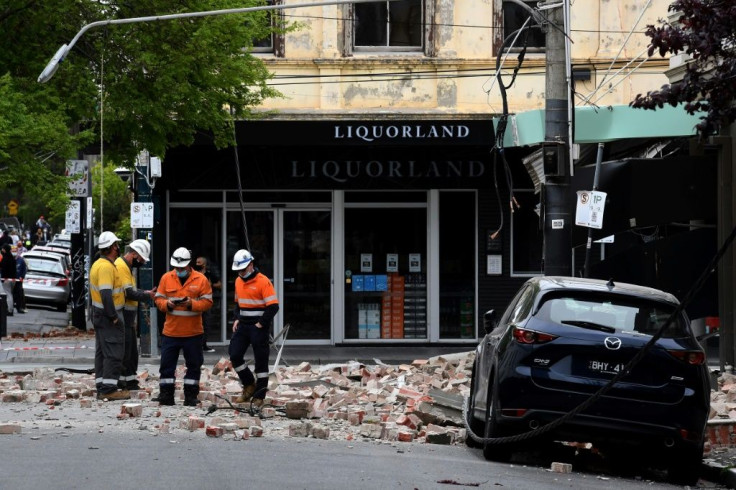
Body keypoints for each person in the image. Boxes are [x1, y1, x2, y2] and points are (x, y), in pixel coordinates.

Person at [153, 247, 213, 406]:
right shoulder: (166, 278)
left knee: (194, 366)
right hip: (171, 332)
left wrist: (191, 304)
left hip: (193, 333)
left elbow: (207, 303)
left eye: (182, 268)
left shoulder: (201, 279)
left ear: (188, 265)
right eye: (177, 267)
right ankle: (166, 395)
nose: (179, 270)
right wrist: (167, 304)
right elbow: (158, 300)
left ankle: (191, 396)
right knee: (166, 367)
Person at [229, 249, 279, 409]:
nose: (241, 273)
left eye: (243, 270)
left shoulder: (263, 281)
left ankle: (259, 395)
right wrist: (236, 317)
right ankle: (249, 384)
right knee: (235, 354)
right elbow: (238, 303)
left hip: (258, 327)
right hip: (243, 325)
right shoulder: (238, 281)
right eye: (238, 271)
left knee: (261, 362)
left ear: (250, 265)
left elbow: (273, 306)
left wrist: (261, 323)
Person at [89, 231, 129, 401]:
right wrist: (113, 316)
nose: (118, 247)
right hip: (107, 316)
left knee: (102, 352)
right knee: (113, 352)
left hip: (99, 314)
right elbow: (106, 294)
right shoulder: (105, 267)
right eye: (116, 244)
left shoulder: (98, 264)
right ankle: (109, 389)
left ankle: (102, 385)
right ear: (113, 247)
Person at [115, 239, 156, 390]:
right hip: (124, 315)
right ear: (133, 254)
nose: (142, 263)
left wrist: (145, 294)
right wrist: (147, 294)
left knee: (131, 352)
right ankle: (123, 382)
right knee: (126, 352)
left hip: (129, 317)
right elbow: (129, 292)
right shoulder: (121, 266)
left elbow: (131, 290)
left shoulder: (127, 267)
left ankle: (130, 381)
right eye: (141, 259)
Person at [194, 256, 221, 352]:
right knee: (195, 323)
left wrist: (211, 285)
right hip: (194, 302)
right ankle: (195, 345)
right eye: (196, 262)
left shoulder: (209, 274)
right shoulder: (193, 274)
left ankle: (203, 344)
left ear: (204, 264)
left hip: (205, 302)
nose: (197, 264)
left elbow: (219, 284)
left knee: (205, 323)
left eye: (199, 262)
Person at [0, 244, 16, 316]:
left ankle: (9, 309)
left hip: (6, 279)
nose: (2, 250)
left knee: (8, 294)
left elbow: (4, 268)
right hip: (13, 279)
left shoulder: (5, 258)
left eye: (3, 249)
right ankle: (11, 308)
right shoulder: (12, 258)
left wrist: (4, 278)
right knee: (10, 294)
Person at [13, 246, 27, 314]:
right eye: (12, 251)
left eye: (15, 251)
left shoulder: (21, 260)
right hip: (10, 281)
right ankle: (9, 308)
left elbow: (24, 269)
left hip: (18, 281)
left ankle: (19, 308)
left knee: (19, 295)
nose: (14, 252)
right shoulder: (9, 259)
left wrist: (22, 276)